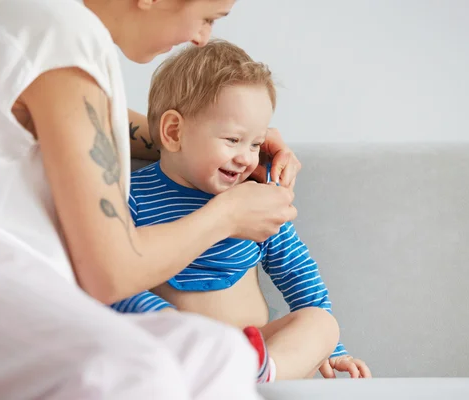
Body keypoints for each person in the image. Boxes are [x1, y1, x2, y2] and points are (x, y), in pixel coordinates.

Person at [0, 0, 303, 398]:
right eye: (206, 17)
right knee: (134, 371)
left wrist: (215, 136)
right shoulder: (59, 35)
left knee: (218, 353)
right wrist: (229, 215)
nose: (201, 38)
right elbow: (111, 274)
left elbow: (95, 124)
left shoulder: (42, 27)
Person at [111, 40, 372, 382]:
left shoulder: (257, 198)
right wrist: (171, 326)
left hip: (256, 354)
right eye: (233, 140)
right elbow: (116, 281)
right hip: (179, 353)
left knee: (322, 323)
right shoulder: (129, 196)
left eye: (255, 143)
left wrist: (332, 348)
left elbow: (296, 270)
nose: (248, 158)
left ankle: (260, 374)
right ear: (174, 132)